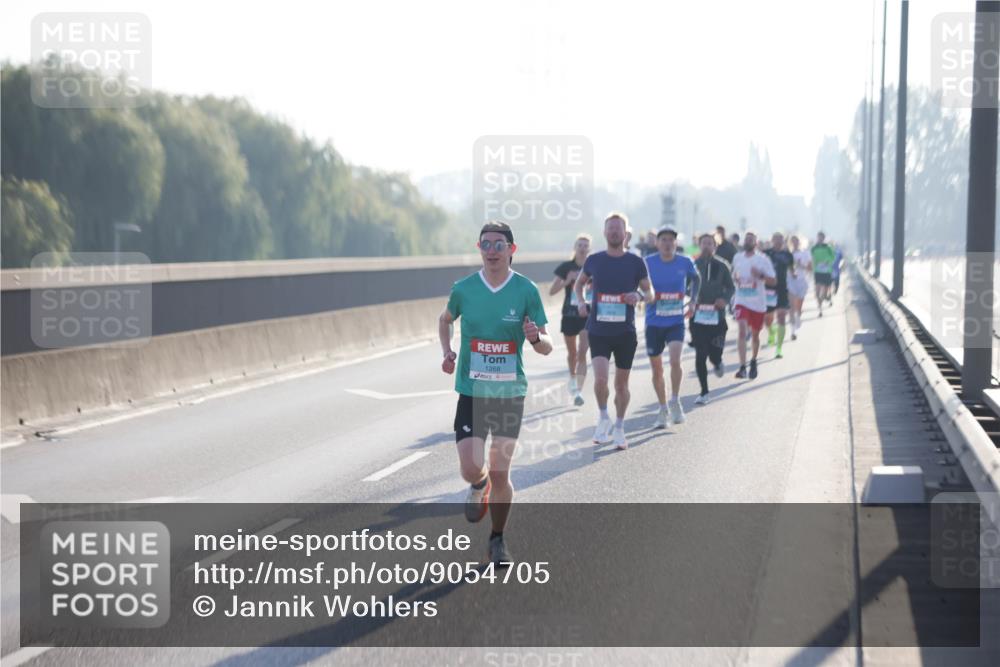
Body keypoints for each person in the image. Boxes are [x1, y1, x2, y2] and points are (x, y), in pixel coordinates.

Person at [439, 221, 552, 566]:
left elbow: (547, 346)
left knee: (503, 472)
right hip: (472, 392)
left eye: (498, 244)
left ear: (511, 250)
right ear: (479, 249)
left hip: (508, 393)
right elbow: (445, 319)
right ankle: (479, 484)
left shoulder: (526, 291)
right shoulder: (464, 289)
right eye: (485, 244)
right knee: (472, 467)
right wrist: (447, 351)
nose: (491, 251)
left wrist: (534, 338)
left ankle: (498, 540)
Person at [573, 213, 653, 450]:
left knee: (621, 386)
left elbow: (651, 293)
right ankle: (603, 416)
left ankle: (619, 426)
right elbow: (579, 285)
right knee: (599, 378)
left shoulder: (636, 262)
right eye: (611, 228)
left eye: (619, 228)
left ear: (626, 233)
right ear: (605, 232)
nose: (615, 232)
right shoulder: (594, 260)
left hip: (625, 332)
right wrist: (580, 302)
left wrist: (638, 296)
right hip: (598, 329)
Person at [644, 227, 700, 426]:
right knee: (657, 369)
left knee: (675, 361)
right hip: (653, 322)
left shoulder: (684, 262)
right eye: (663, 240)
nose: (667, 243)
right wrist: (643, 295)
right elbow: (637, 283)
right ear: (657, 243)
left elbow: (696, 278)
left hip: (676, 320)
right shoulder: (648, 262)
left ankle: (675, 400)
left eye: (671, 240)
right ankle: (662, 408)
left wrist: (693, 301)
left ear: (675, 243)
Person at [690, 233, 734, 404]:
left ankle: (717, 362)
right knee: (700, 354)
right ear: (699, 245)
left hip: (717, 317)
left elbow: (730, 287)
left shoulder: (722, 266)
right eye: (704, 243)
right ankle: (704, 392)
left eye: (710, 243)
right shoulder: (693, 265)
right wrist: (693, 297)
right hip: (698, 317)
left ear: (715, 246)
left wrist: (724, 299)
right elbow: (685, 286)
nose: (707, 246)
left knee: (714, 354)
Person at [551, 235, 592, 406]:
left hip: (586, 314)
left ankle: (578, 391)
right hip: (569, 314)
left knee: (582, 352)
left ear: (589, 249)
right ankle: (572, 378)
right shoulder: (566, 267)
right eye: (579, 245)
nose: (582, 248)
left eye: (585, 245)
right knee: (572, 353)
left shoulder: (593, 266)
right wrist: (567, 280)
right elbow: (552, 291)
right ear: (575, 247)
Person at [731, 231, 776, 379]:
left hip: (757, 303)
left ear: (756, 243)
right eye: (747, 239)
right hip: (741, 300)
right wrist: (736, 279)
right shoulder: (737, 258)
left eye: (751, 240)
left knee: (755, 335)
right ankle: (742, 367)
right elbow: (734, 274)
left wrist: (760, 276)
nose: (748, 241)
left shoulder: (763, 260)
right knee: (742, 331)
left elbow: (773, 281)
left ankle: (754, 360)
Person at [763, 232, 794, 359]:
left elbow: (792, 269)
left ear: (784, 241)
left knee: (781, 317)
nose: (778, 241)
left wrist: (794, 273)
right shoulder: (765, 254)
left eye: (781, 239)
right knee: (768, 318)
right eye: (776, 239)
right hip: (768, 289)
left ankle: (779, 348)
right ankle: (771, 332)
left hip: (782, 289)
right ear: (772, 240)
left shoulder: (788, 254)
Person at [787, 235, 810, 340]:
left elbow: (810, 268)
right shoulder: (788, 254)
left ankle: (798, 317)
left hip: (802, 281)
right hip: (790, 281)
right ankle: (792, 331)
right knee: (791, 306)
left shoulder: (805, 253)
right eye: (793, 241)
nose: (795, 243)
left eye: (796, 241)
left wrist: (801, 265)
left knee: (798, 306)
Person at [810, 231, 836, 317]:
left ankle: (826, 297)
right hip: (817, 272)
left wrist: (827, 262)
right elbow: (811, 258)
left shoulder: (828, 247)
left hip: (827, 271)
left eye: (821, 237)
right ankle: (820, 309)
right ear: (817, 238)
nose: (820, 239)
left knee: (824, 293)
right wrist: (813, 266)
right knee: (817, 292)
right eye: (818, 237)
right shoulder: (814, 248)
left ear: (824, 238)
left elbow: (833, 257)